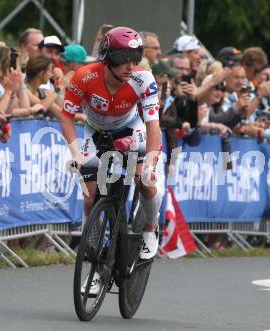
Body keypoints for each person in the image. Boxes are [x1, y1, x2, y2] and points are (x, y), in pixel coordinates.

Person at [59, 27, 163, 295]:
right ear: (108, 58)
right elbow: (66, 116)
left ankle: (150, 231)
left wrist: (150, 163)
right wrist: (74, 152)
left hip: (131, 129)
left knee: (146, 182)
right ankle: (94, 259)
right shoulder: (85, 76)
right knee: (90, 198)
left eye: (135, 58)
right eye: (124, 59)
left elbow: (153, 125)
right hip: (95, 131)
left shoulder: (144, 79)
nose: (130, 65)